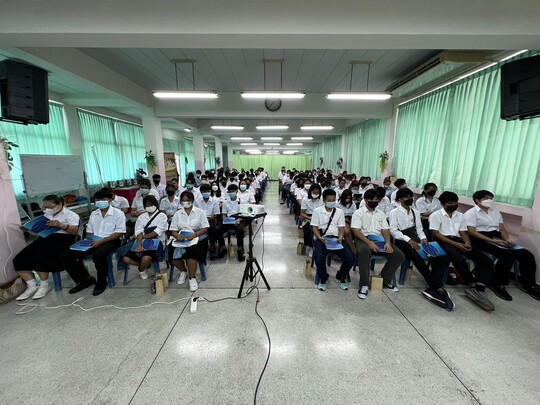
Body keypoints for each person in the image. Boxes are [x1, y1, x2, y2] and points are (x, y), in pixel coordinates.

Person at [464, 190, 540, 301]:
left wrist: (506, 239)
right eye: (486, 198)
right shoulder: (471, 213)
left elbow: (502, 229)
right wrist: (492, 241)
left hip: (496, 236)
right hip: (480, 238)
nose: (490, 201)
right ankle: (498, 284)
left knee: (527, 255)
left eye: (491, 198)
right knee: (507, 255)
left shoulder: (495, 212)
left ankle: (529, 285)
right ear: (477, 200)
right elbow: (471, 232)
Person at [389, 188, 454, 310]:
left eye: (410, 196)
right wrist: (408, 240)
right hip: (401, 240)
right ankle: (436, 287)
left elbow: (419, 229)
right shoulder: (394, 212)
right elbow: (393, 231)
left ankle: (435, 284)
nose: (409, 199)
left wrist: (423, 238)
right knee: (417, 257)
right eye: (406, 197)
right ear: (400, 199)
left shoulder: (415, 212)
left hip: (416, 238)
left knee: (439, 255)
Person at [429, 191, 495, 311]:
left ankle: (480, 288)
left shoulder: (460, 215)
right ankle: (471, 283)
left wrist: (466, 242)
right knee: (457, 258)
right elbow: (436, 234)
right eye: (450, 203)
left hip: (458, 239)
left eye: (455, 202)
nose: (453, 205)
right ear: (443, 204)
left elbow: (462, 232)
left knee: (485, 260)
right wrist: (457, 245)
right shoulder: (436, 215)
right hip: (442, 240)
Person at [60, 188, 126, 296]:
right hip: (93, 239)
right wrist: (88, 241)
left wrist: (101, 242)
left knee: (98, 255)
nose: (100, 201)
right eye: (98, 200)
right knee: (66, 255)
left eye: (103, 199)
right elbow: (89, 231)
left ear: (110, 200)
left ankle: (101, 281)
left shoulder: (118, 213)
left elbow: (120, 232)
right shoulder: (94, 214)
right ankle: (85, 279)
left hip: (112, 240)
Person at [14, 195, 80, 301]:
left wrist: (60, 225)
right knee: (19, 258)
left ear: (59, 204)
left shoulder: (71, 215)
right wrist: (29, 230)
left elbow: (74, 231)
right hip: (47, 237)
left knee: (41, 256)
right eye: (45, 207)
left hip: (64, 240)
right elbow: (43, 229)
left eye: (50, 206)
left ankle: (44, 285)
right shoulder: (48, 214)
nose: (47, 209)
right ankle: (32, 285)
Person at [352, 189, 404, 300]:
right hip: (363, 239)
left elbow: (385, 230)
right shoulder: (358, 213)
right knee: (365, 252)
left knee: (399, 255)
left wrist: (388, 243)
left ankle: (384, 280)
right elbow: (356, 231)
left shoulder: (381, 214)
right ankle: (364, 284)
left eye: (377, 200)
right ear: (366, 200)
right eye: (372, 200)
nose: (375, 202)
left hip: (379, 240)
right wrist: (369, 243)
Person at [311, 189, 355, 291]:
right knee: (319, 257)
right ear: (324, 200)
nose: (331, 202)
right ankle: (323, 278)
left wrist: (340, 237)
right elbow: (314, 228)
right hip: (322, 238)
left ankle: (341, 276)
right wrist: (319, 237)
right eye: (329, 200)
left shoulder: (339, 212)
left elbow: (341, 227)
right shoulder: (317, 211)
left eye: (333, 200)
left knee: (350, 258)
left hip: (336, 239)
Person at [169, 191, 209, 292]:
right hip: (181, 237)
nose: (185, 202)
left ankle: (192, 278)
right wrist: (177, 235)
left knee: (192, 252)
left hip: (197, 236)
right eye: (183, 200)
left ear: (192, 200)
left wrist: (194, 235)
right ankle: (183, 271)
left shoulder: (199, 212)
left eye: (188, 200)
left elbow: (205, 228)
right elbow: (173, 230)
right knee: (171, 252)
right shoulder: (177, 214)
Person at [123, 195, 168, 279]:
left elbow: (157, 232)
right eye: (147, 205)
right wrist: (139, 244)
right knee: (126, 258)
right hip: (141, 240)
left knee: (146, 258)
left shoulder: (162, 216)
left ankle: (141, 269)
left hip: (156, 242)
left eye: (151, 204)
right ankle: (145, 265)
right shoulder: (141, 217)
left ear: (155, 204)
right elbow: (138, 231)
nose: (149, 207)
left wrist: (143, 237)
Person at [196, 183, 226, 260]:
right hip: (199, 220)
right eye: (205, 191)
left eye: (208, 191)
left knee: (211, 228)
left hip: (210, 219)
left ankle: (212, 245)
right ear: (201, 192)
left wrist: (209, 219)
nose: (207, 193)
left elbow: (216, 214)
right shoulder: (197, 201)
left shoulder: (214, 201)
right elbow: (195, 212)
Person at [222, 184, 246, 261]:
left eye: (233, 191)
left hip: (239, 219)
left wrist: (239, 219)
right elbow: (224, 214)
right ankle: (223, 247)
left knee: (240, 230)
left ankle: (239, 249)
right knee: (218, 229)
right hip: (229, 220)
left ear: (236, 191)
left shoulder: (241, 201)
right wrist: (225, 220)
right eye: (230, 191)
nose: (231, 193)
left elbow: (244, 213)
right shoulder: (225, 202)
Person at [337, 189, 357, 254]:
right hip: (341, 219)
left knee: (355, 229)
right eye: (346, 198)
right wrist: (344, 219)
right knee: (347, 231)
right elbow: (336, 215)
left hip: (351, 219)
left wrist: (351, 220)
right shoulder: (338, 204)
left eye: (349, 198)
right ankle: (353, 250)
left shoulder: (353, 204)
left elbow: (355, 214)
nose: (347, 199)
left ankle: (355, 244)